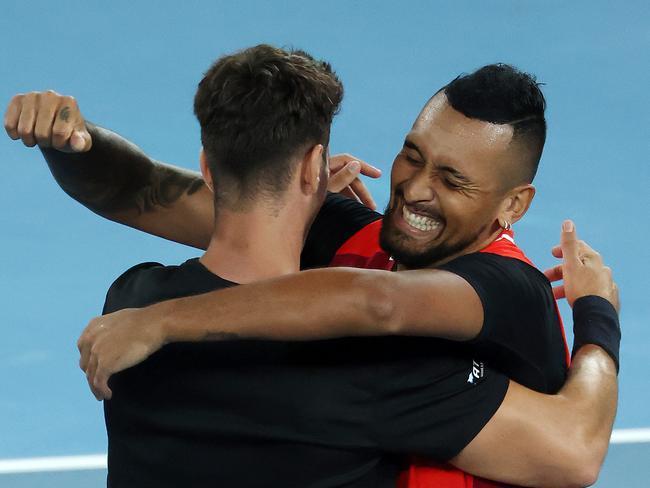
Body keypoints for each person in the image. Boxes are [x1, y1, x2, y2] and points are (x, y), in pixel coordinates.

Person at [5, 52, 620, 488]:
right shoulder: (351, 237)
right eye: (412, 155)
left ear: (513, 205)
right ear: (313, 170)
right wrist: (72, 140)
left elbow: (380, 304)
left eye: (453, 180)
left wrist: (597, 315)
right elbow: (143, 190)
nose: (416, 189)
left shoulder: (510, 289)